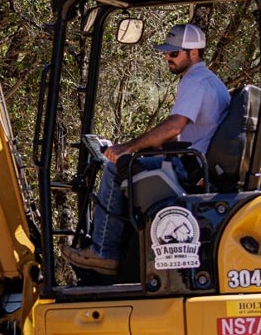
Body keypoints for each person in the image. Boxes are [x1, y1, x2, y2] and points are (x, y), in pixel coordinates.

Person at [61, 23, 230, 275]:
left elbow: (175, 125)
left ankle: (104, 253)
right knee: (127, 160)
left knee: (114, 168)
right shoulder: (211, 81)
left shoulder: (196, 81)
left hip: (188, 169)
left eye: (173, 53)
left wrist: (129, 148)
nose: (167, 58)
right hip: (191, 163)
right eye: (166, 52)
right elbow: (190, 132)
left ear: (193, 53)